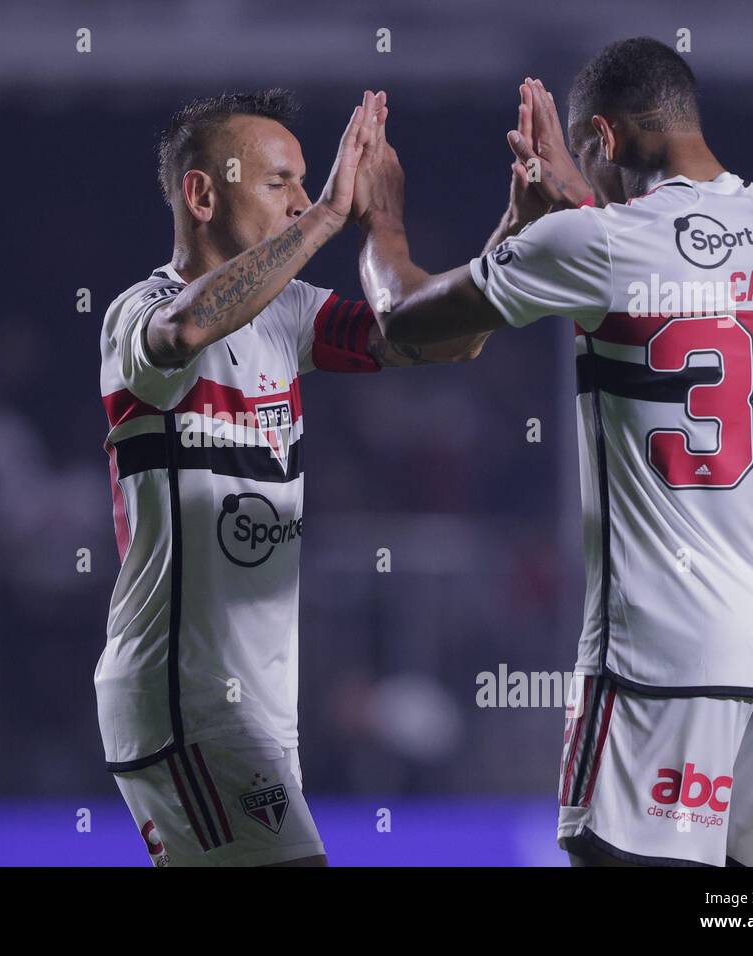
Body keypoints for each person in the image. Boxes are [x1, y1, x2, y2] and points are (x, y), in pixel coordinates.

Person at [353, 38, 753, 866]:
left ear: (606, 140)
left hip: (665, 659)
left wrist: (382, 214)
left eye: (589, 157)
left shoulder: (598, 246)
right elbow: (679, 263)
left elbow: (404, 316)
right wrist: (578, 197)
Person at [97, 90, 487, 867]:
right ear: (202, 194)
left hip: (259, 708)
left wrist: (507, 236)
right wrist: (327, 219)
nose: (305, 200)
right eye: (281, 182)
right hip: (187, 699)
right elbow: (189, 329)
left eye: (310, 182)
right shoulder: (139, 314)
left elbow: (438, 339)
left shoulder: (290, 314)